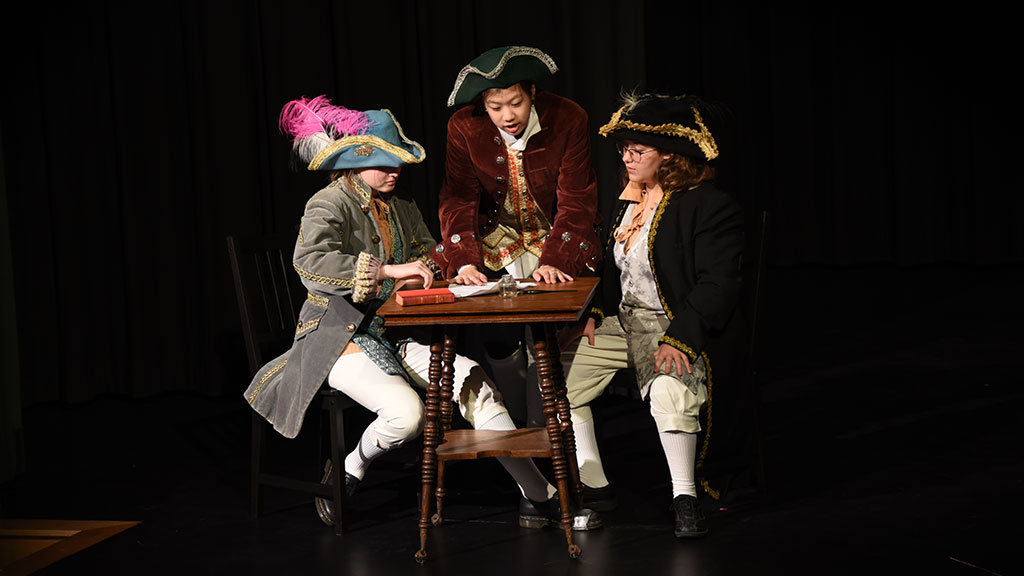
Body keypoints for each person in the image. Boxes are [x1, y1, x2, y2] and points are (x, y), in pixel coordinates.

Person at [242, 95, 600, 531]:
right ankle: (350, 467)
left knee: (476, 386)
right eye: (382, 162)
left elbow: (432, 252)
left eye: (397, 163)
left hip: (396, 331)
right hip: (337, 336)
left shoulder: (400, 205)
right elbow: (310, 265)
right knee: (406, 416)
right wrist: (390, 271)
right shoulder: (328, 203)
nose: (394, 172)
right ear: (355, 161)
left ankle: (539, 496)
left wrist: (425, 271)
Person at [559, 93, 744, 537]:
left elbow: (717, 284)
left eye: (637, 151)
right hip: (624, 323)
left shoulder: (708, 206)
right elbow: (612, 270)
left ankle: (686, 498)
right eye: (624, 149)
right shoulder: (631, 201)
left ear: (671, 156)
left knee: (669, 389)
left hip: (675, 325)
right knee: (557, 382)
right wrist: (594, 311)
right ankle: (596, 486)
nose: (626, 157)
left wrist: (680, 338)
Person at [431, 46, 602, 427]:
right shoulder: (463, 126)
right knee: (501, 335)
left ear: (532, 94)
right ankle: (522, 435)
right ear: (483, 104)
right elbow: (458, 198)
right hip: (496, 239)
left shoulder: (568, 117)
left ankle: (546, 434)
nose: (507, 115)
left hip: (553, 236)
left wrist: (557, 258)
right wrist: (464, 260)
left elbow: (576, 199)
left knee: (546, 339)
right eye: (495, 106)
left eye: (516, 102)